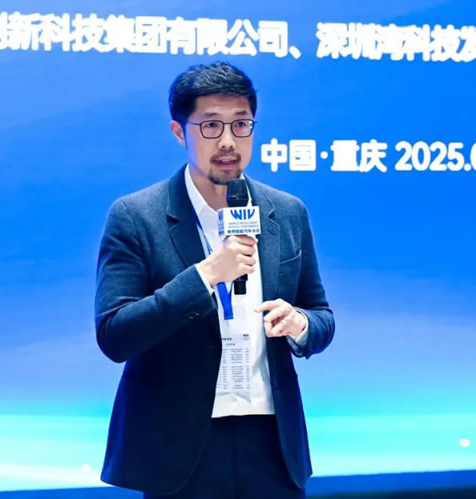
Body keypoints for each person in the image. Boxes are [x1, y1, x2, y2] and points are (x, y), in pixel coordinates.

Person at [95, 62, 335, 499]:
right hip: (180, 447)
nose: (228, 141)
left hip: (272, 445)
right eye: (210, 126)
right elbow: (115, 334)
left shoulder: (287, 212)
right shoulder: (136, 216)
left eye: (241, 124)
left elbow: (321, 316)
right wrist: (206, 275)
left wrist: (299, 324)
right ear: (178, 132)